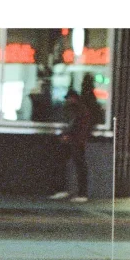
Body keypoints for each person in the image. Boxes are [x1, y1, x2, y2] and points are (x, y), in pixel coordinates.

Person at [48, 73, 103, 203]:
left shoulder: (78, 110)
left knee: (75, 165)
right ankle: (77, 193)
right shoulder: (82, 108)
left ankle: (73, 192)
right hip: (77, 141)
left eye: (68, 98)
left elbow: (77, 126)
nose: (67, 101)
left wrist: (68, 136)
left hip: (76, 141)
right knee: (77, 165)